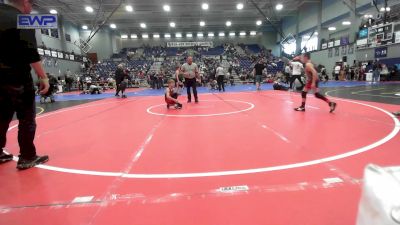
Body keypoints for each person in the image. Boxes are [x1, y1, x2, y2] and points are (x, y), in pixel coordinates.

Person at [0, 0, 50, 169]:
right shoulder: (21, 20)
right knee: (26, 118)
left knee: (1, 117)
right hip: (17, 77)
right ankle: (28, 156)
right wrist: (43, 77)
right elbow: (31, 53)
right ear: (25, 2)